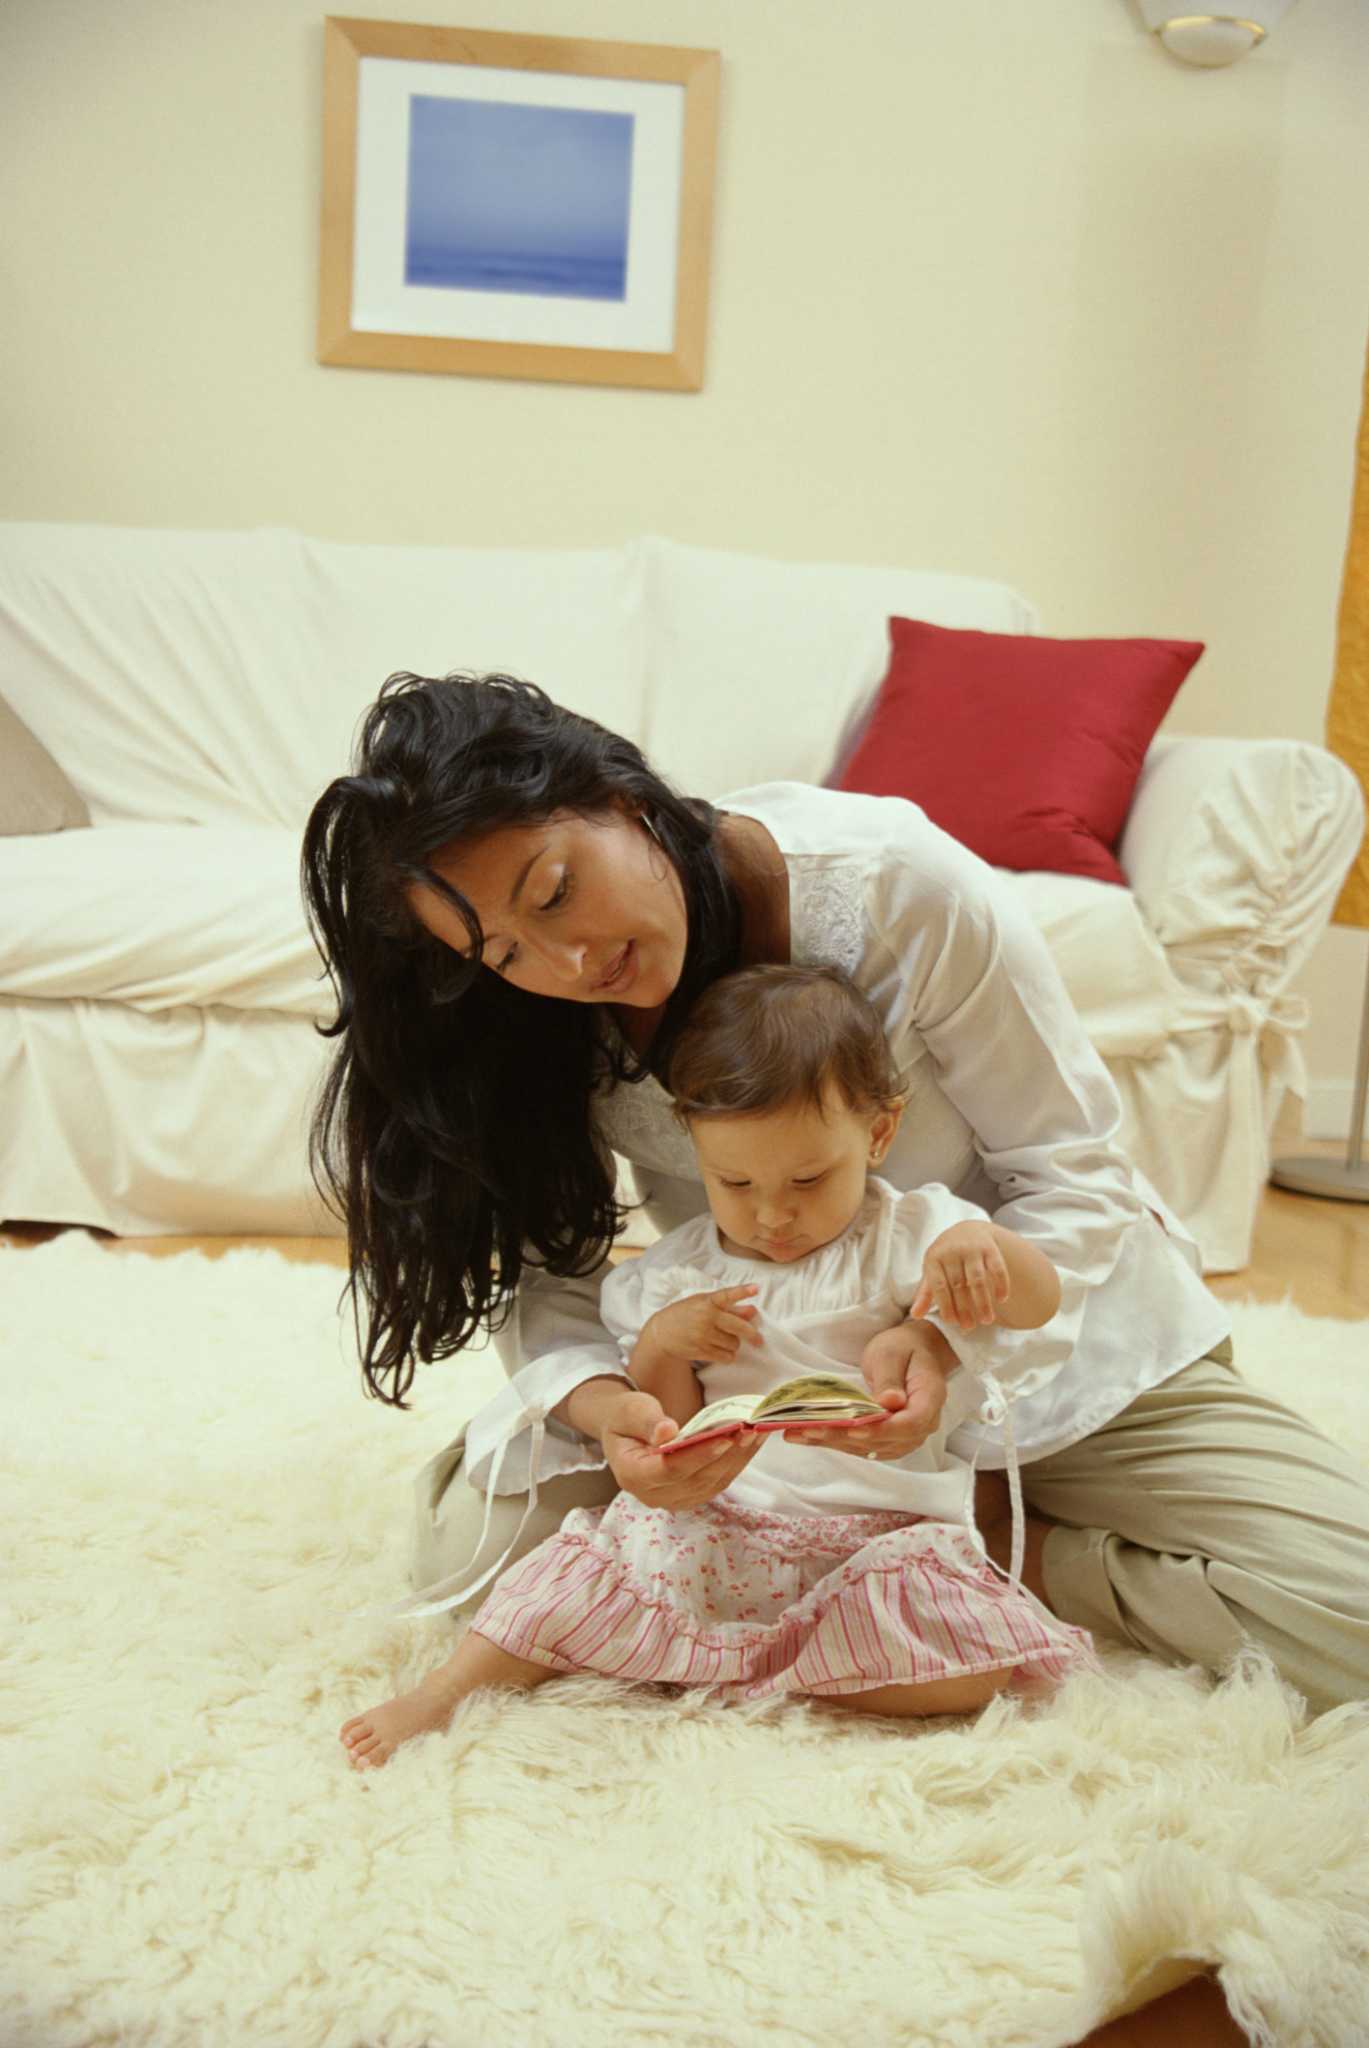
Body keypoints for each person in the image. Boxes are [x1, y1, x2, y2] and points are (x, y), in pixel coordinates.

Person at [302, 671, 1369, 1723]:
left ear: (623, 798)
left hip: (1038, 1341)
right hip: (771, 1394)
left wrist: (947, 1349)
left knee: (1349, 1614)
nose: (567, 958)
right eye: (503, 950)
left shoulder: (896, 889)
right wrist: (615, 1412)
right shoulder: (535, 1013)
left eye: (553, 890)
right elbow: (554, 1282)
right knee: (468, 1561)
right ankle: (904, 1548)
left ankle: (1025, 1547)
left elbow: (1074, 1173)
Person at [339, 965, 1097, 1768]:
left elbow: (1039, 1302)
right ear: (689, 1142)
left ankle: (738, 1661)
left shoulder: (914, 1233)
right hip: (717, 1526)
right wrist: (664, 1346)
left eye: (809, 1179)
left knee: (979, 1666)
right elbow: (666, 1419)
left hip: (878, 1537)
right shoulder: (677, 1277)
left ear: (877, 1134)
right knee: (561, 1585)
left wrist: (988, 1253)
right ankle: (440, 1696)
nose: (773, 1215)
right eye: (733, 1182)